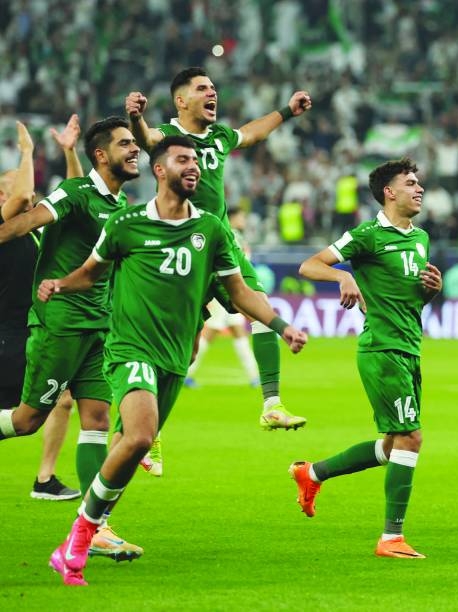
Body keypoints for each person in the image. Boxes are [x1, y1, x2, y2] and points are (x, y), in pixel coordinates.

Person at [43, 135, 308, 586]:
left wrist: (282, 326)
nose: (194, 167)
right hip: (129, 348)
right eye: (183, 159)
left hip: (173, 357)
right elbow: (91, 272)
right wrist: (60, 285)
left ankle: (81, 535)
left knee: (132, 447)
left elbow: (239, 292)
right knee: (142, 434)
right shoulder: (127, 224)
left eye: (196, 161)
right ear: (159, 170)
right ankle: (82, 535)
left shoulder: (212, 229)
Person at [124, 66, 311, 432]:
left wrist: (287, 111)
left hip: (221, 243)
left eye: (214, 87)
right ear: (181, 101)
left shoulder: (221, 136)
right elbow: (147, 139)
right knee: (186, 350)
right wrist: (136, 117)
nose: (213, 93)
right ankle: (146, 431)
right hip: (181, 246)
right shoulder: (170, 137)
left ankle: (272, 403)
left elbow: (253, 133)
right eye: (202, 88)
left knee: (261, 308)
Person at [0, 117, 144, 559]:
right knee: (27, 421)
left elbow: (88, 199)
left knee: (98, 421)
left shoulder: (116, 205)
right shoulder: (77, 194)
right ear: (103, 155)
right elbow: (27, 221)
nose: (135, 149)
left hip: (99, 326)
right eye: (125, 144)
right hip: (60, 322)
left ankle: (95, 527)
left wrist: (69, 151)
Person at [293, 157, 442, 559]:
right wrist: (343, 275)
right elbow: (310, 264)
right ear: (389, 192)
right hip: (382, 349)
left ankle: (312, 473)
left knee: (395, 445)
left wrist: (431, 289)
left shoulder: (421, 238)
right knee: (412, 437)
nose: (419, 188)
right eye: (411, 182)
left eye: (419, 181)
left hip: (409, 346)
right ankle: (391, 538)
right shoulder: (368, 235)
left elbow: (413, 300)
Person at [1, 117, 84, 501]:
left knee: (60, 400)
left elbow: (78, 198)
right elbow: (19, 199)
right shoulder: (5, 227)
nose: (17, 193)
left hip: (30, 332)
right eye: (5, 189)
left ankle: (45, 479)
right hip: (8, 336)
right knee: (21, 418)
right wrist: (27, 152)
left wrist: (69, 152)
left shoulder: (34, 230)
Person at [184, 207, 261, 390]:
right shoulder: (228, 234)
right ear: (232, 218)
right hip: (224, 291)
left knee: (238, 331)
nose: (243, 220)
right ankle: (186, 373)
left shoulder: (235, 235)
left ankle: (255, 376)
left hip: (232, 292)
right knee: (210, 332)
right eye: (241, 216)